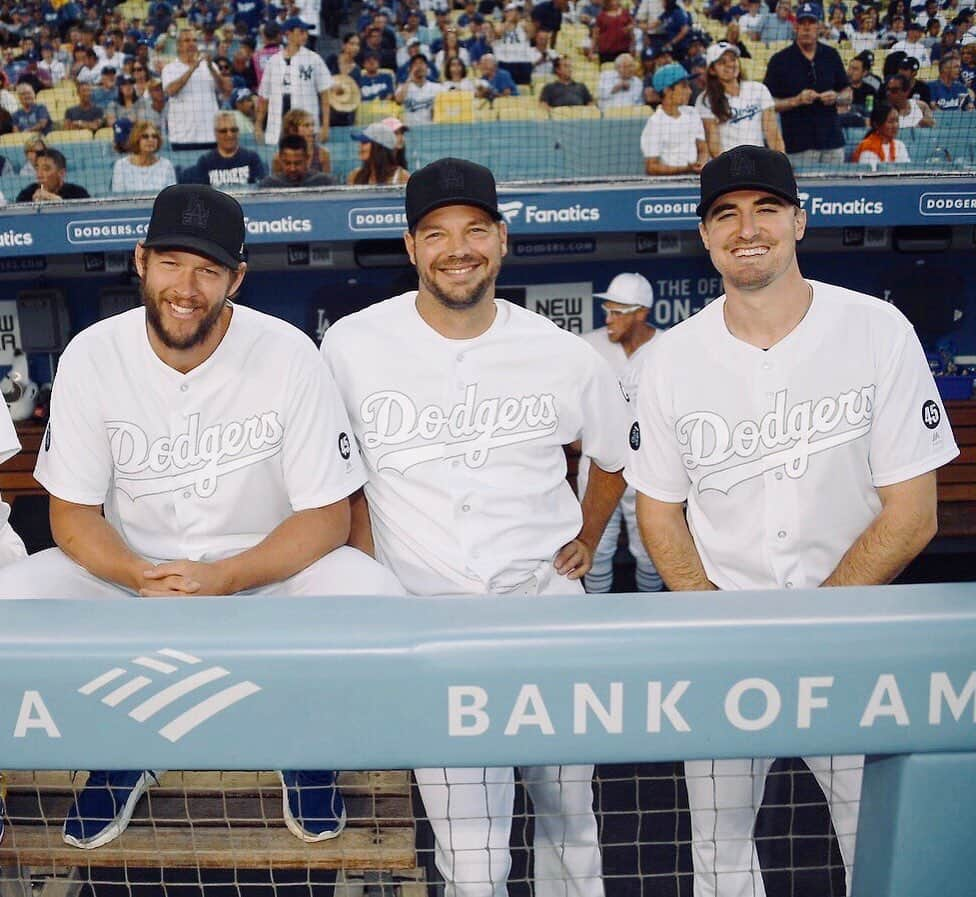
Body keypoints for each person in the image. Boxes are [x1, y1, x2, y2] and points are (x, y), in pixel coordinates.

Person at [0, 183, 405, 851]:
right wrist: (134, 571)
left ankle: (305, 741)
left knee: (374, 592)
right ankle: (122, 744)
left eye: (208, 269)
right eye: (170, 262)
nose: (185, 286)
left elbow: (327, 516)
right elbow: (71, 512)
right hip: (132, 571)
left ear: (236, 278)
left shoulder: (288, 353)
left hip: (267, 569)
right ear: (140, 259)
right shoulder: (93, 354)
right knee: (11, 597)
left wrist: (229, 575)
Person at [626, 144, 959, 897]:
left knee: (875, 841)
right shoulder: (671, 361)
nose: (747, 228)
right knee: (717, 847)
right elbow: (659, 513)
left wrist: (814, 622)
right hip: (722, 640)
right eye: (726, 214)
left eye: (766, 209)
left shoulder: (876, 331)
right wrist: (718, 624)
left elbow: (914, 514)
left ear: (799, 220)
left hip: (856, 639)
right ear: (705, 236)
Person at [321, 156, 629, 897]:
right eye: (437, 233)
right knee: (470, 846)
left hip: (543, 607)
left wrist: (587, 535)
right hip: (430, 622)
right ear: (410, 247)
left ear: (502, 238)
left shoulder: (563, 352)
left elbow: (614, 456)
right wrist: (370, 571)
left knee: (570, 814)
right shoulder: (352, 346)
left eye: (475, 230)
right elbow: (338, 480)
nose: (457, 248)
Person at [579, 273, 662, 595]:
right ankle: (596, 626)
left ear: (641, 312)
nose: (608, 319)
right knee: (595, 550)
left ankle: (652, 624)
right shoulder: (589, 346)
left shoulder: (668, 347)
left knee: (651, 553)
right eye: (607, 311)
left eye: (617, 312)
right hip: (600, 467)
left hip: (650, 471)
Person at [764, 2, 851, 165]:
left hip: (832, 143)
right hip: (798, 145)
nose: (806, 28)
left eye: (811, 23)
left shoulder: (831, 55)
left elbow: (848, 94)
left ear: (819, 27)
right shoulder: (780, 60)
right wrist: (796, 101)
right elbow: (768, 104)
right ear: (795, 27)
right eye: (802, 23)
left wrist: (837, 97)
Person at [697, 40, 784, 156]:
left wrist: (781, 164)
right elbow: (714, 146)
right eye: (722, 62)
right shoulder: (705, 100)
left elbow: (773, 134)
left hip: (760, 163)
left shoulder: (759, 89)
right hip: (729, 166)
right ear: (712, 70)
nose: (730, 65)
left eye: (733, 59)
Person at [257, 18, 332, 148]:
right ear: (288, 33)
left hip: (307, 125)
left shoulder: (314, 59)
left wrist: (325, 126)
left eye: (306, 32)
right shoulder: (273, 62)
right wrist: (258, 125)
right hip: (278, 126)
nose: (305, 35)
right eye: (301, 31)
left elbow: (325, 94)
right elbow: (264, 97)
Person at [162, 29, 225, 151]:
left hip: (210, 135)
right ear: (178, 45)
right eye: (187, 40)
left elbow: (224, 90)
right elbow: (170, 91)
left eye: (194, 40)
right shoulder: (169, 68)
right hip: (183, 137)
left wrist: (212, 69)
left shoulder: (209, 65)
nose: (192, 43)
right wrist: (191, 69)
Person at [641, 63, 709, 174]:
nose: (690, 91)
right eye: (684, 86)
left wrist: (702, 163)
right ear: (667, 90)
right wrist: (686, 169)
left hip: (695, 179)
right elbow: (651, 167)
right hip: (667, 183)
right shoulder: (655, 123)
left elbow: (702, 148)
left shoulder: (692, 113)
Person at [195, 110, 266, 187]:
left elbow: (260, 189)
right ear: (215, 133)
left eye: (233, 130)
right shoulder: (205, 161)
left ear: (238, 132)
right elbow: (202, 193)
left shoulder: (252, 158)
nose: (229, 134)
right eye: (223, 131)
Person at [111, 120, 177, 193]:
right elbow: (118, 198)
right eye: (145, 136)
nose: (151, 140)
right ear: (136, 139)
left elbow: (172, 197)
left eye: (154, 136)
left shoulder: (166, 165)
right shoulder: (121, 165)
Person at [259, 133, 335, 187]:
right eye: (288, 163)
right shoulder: (269, 185)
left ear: (307, 159)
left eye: (297, 163)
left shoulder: (324, 183)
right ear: (280, 159)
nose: (293, 169)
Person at [15, 148, 89, 202]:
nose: (39, 175)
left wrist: (59, 202)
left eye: (46, 169)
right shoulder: (26, 194)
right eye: (37, 168)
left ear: (61, 173)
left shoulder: (78, 194)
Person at [851, 100, 911, 166]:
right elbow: (869, 175)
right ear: (876, 125)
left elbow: (906, 169)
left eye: (897, 121)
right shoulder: (868, 147)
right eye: (890, 122)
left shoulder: (899, 145)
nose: (895, 125)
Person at [278, 107, 332, 175]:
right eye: (306, 126)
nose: (312, 129)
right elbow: (277, 182)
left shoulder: (323, 154)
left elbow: (328, 183)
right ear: (292, 129)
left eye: (312, 125)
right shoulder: (279, 157)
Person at [395, 55, 443, 124]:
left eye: (421, 63)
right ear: (410, 69)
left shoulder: (437, 87)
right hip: (410, 128)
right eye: (415, 64)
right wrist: (409, 79)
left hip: (431, 128)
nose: (419, 66)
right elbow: (398, 100)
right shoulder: (404, 87)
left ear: (427, 67)